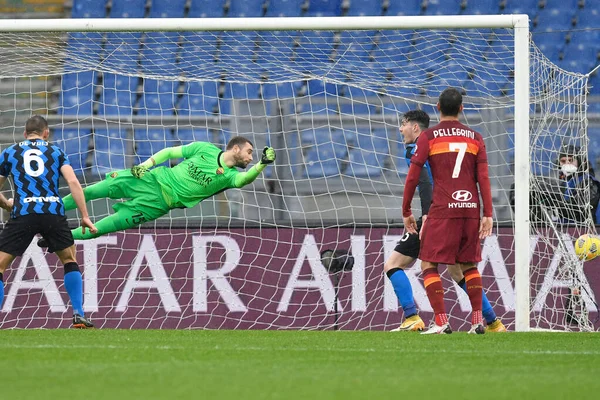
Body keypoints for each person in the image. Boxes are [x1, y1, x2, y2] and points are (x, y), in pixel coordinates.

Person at [386, 110, 505, 333]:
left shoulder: (417, 147)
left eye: (403, 124)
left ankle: (413, 316)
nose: (400, 129)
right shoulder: (447, 141)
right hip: (459, 209)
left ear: (415, 128)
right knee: (459, 271)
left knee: (394, 264)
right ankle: (493, 322)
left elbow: (425, 180)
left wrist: (425, 215)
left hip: (434, 214)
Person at [38, 136, 275, 244]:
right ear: (235, 149)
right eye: (249, 153)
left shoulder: (231, 177)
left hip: (158, 204)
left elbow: (245, 180)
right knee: (92, 191)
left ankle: (55, 239)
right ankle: (43, 208)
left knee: (101, 228)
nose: (250, 157)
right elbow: (171, 153)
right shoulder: (204, 148)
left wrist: (262, 164)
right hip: (149, 178)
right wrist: (145, 165)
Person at [0, 115, 97, 328]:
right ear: (46, 133)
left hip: (24, 211)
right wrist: (85, 216)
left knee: (0, 266)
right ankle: (78, 314)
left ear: (25, 134)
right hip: (52, 211)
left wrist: (7, 205)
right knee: (69, 260)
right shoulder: (56, 151)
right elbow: (73, 181)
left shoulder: (9, 152)